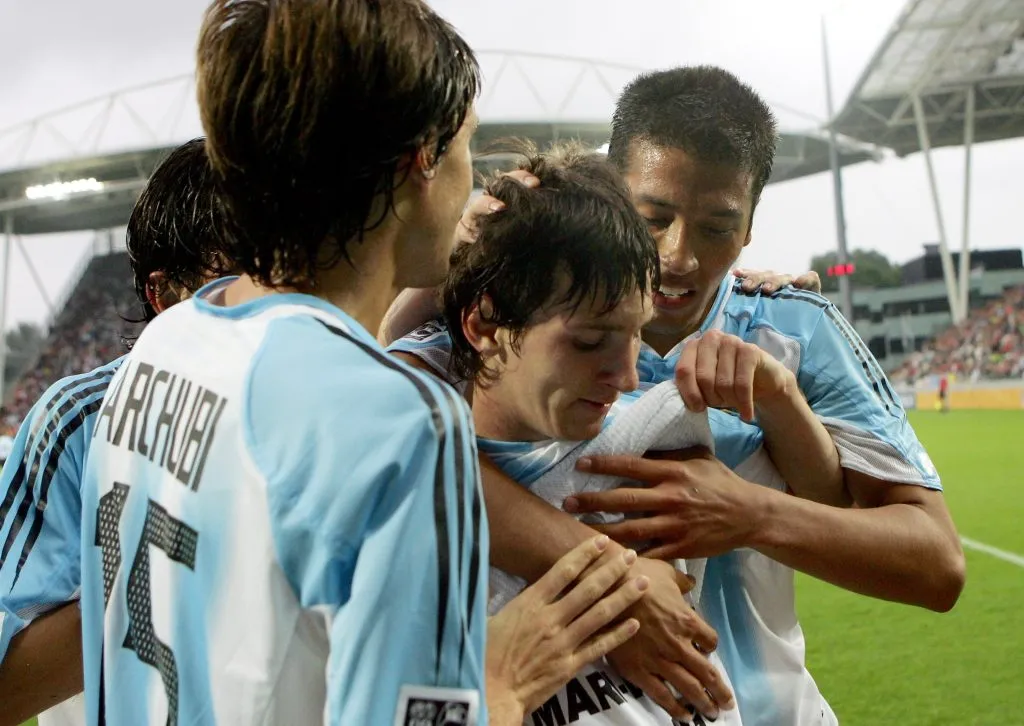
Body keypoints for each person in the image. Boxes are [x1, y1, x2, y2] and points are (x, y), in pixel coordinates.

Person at [77, 3, 647, 726]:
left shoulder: (166, 344)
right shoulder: (400, 421)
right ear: (422, 162)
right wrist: (497, 684)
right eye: (469, 146)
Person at [393, 66, 964, 725]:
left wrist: (753, 513)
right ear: (611, 193)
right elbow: (392, 441)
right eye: (652, 217)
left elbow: (937, 564)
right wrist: (623, 585)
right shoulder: (507, 317)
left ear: (750, 227)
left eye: (718, 227)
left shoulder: (793, 329)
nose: (679, 255)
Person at [0, 138, 232, 726]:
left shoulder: (320, 406)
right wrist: (162, 578)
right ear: (163, 293)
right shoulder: (79, 418)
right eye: (232, 275)